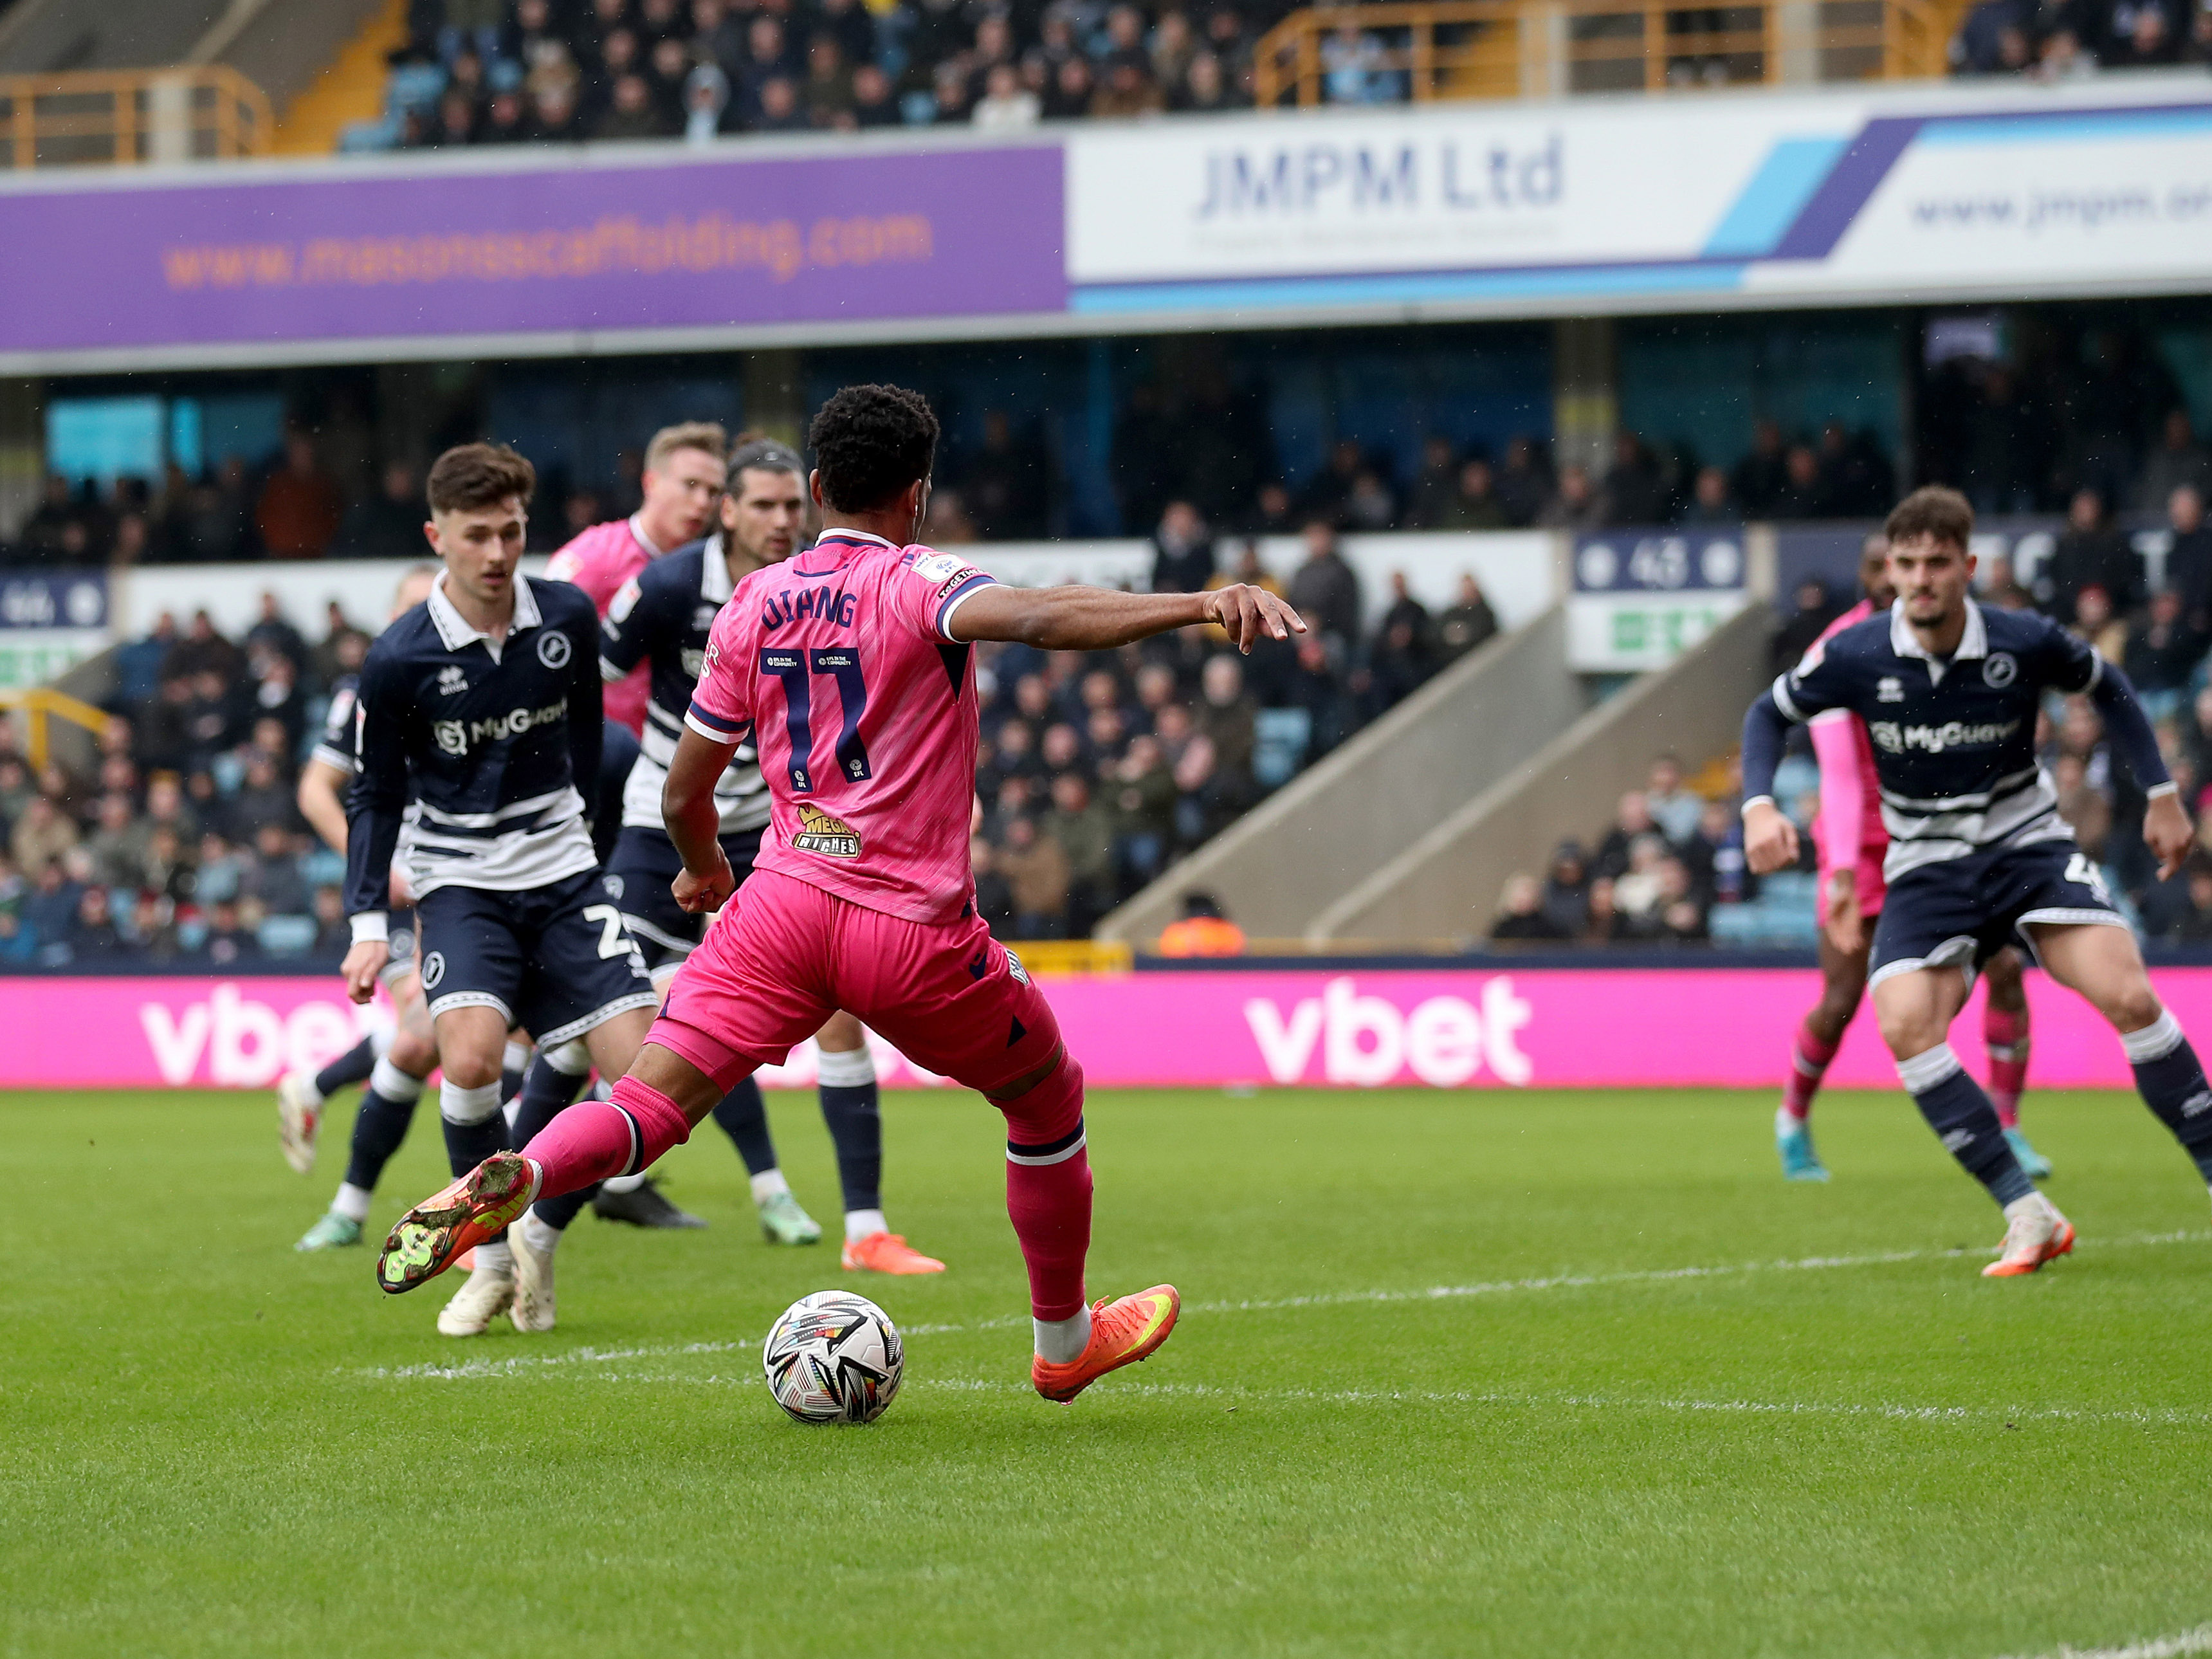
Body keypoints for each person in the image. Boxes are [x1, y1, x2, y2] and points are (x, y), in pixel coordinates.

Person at [376, 383, 1306, 1402]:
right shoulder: (918, 580)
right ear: (917, 493)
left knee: (645, 1097)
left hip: (775, 907)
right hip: (906, 925)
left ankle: (527, 1173)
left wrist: (703, 868)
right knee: (1045, 1096)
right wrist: (1199, 602)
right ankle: (1062, 1339)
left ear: (815, 488)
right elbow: (1037, 616)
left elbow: (686, 788)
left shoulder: (751, 601)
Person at [1742, 487, 2212, 1276]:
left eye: (1936, 563)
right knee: (1903, 1024)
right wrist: (1758, 806)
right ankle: (2026, 1212)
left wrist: (2163, 795)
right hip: (1926, 867)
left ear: (1967, 567)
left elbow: (2111, 688)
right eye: (1906, 564)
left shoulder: (2022, 639)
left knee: (2128, 994)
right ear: (1889, 569)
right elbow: (1766, 713)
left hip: (2026, 849)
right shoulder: (1856, 653)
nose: (1920, 579)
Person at [583, 435, 942, 1278]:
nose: (783, 521)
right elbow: (587, 682)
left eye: (794, 505)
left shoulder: (835, 589)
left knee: (837, 1008)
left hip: (785, 828)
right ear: (729, 511)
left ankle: (864, 1227)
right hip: (663, 824)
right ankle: (517, 1227)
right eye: (766, 506)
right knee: (603, 1008)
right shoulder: (669, 587)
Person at [342, 444, 661, 1337]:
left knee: (644, 1079)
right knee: (474, 1059)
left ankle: (541, 1234)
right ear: (436, 535)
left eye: (511, 530)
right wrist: (369, 920)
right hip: (460, 882)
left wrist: (589, 861)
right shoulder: (398, 658)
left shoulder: (563, 615)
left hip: (562, 875)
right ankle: (484, 1260)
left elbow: (596, 751)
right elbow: (373, 793)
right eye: (476, 534)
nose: (495, 551)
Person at [1768, 531, 2046, 1184]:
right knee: (1840, 998)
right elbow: (1837, 776)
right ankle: (1792, 1120)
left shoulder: (1955, 641)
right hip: (1860, 841)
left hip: (1942, 833)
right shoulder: (1836, 652)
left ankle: (2008, 1125)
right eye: (1884, 568)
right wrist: (1839, 873)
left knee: (2005, 966)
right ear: (1876, 574)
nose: (1899, 581)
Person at [278, 565, 446, 1251]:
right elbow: (316, 788)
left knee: (431, 1029)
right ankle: (352, 1202)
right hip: (413, 890)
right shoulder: (365, 693)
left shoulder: (471, 678)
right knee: (422, 1029)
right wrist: (378, 867)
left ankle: (318, 1092)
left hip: (477, 877)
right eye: (409, 609)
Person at [545, 421, 730, 856]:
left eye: (712, 490)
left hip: (702, 774)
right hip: (605, 776)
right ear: (650, 482)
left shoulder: (727, 571)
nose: (701, 501)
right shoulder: (591, 560)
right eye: (689, 485)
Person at [1158, 890, 1245, 956]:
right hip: (1223, 976)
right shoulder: (1228, 928)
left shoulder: (1177, 930)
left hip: (1184, 976)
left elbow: (1170, 956)